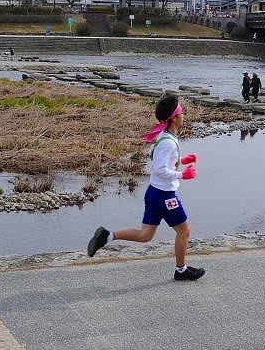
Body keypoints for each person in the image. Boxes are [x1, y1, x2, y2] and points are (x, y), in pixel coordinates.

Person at [87, 95, 205, 281]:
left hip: (154, 193)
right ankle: (181, 270)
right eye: (181, 113)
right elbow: (160, 169)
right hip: (165, 196)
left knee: (145, 235)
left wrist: (182, 160)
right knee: (184, 231)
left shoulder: (165, 136)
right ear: (173, 118)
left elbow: (163, 161)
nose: (184, 116)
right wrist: (183, 174)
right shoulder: (167, 141)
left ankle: (107, 236)